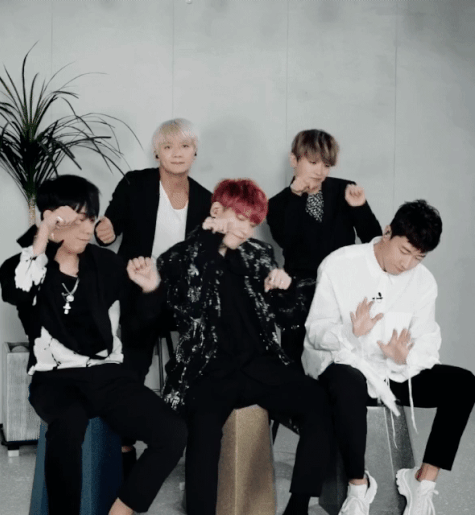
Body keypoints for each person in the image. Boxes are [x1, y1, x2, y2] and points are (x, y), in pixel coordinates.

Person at [0, 175, 187, 515]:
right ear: (53, 219)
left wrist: (149, 290)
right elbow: (18, 292)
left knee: (172, 431)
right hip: (54, 379)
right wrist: (43, 233)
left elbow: (138, 325)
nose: (88, 229)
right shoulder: (26, 266)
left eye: (91, 219)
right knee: (68, 425)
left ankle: (121, 510)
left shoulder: (106, 265)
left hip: (108, 376)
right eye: (78, 219)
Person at [157, 178, 333, 515]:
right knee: (204, 431)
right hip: (207, 369)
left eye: (252, 223)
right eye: (239, 218)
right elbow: (183, 302)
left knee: (319, 401)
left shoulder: (259, 255)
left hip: (260, 365)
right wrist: (209, 242)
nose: (245, 229)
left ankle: (298, 506)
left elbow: (288, 317)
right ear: (216, 210)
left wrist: (285, 289)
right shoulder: (183, 256)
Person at [302, 199, 475, 515]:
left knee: (464, 383)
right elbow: (315, 331)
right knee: (346, 382)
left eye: (418, 257)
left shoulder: (424, 281)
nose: (407, 264)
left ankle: (422, 481)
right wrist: (350, 332)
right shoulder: (340, 264)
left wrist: (405, 355)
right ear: (387, 232)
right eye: (404, 251)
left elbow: (428, 343)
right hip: (345, 367)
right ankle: (358, 487)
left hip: (393, 372)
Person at [95, 118, 211, 470]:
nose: (177, 153)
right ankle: (123, 443)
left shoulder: (205, 198)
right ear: (157, 152)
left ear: (195, 152)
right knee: (134, 360)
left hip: (182, 297)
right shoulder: (136, 183)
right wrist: (105, 229)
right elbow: (110, 225)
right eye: (168, 146)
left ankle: (188, 437)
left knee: (200, 357)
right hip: (138, 289)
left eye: (185, 146)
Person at [267, 129, 382, 366]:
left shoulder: (344, 189)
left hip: (343, 288)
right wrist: (296, 197)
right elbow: (287, 241)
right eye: (313, 162)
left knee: (343, 359)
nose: (320, 171)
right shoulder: (277, 203)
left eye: (326, 165)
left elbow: (374, 240)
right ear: (294, 160)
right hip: (300, 294)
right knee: (296, 362)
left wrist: (360, 208)